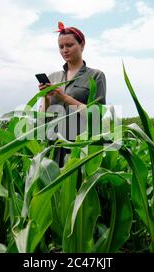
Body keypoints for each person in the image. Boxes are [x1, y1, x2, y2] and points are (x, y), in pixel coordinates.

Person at [38, 22, 107, 167]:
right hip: (54, 146)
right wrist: (46, 97)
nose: (65, 50)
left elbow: (96, 115)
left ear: (82, 45)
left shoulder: (96, 76)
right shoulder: (53, 77)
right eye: (61, 47)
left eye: (69, 45)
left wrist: (64, 97)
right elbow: (43, 119)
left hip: (81, 147)